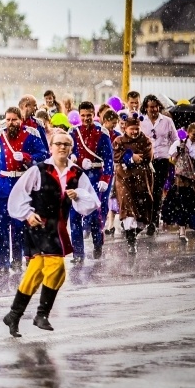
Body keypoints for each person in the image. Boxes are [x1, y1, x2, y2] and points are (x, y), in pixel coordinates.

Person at [2, 132, 100, 337]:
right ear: (51, 146)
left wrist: (78, 195)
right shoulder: (38, 170)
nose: (62, 147)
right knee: (56, 267)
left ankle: (14, 314)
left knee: (37, 271)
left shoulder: (76, 173)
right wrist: (27, 214)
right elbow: (18, 195)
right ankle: (42, 314)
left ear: (71, 148)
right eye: (58, 144)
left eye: (66, 144)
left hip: (58, 227)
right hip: (38, 226)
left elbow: (91, 204)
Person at [0, 107, 48, 274]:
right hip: (3, 182)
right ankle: (2, 264)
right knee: (1, 225)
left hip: (22, 182)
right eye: (8, 119)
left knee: (19, 225)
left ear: (20, 120)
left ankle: (17, 260)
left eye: (14, 120)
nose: (11, 123)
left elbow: (43, 154)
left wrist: (26, 157)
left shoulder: (31, 135)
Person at [69, 102, 114, 262]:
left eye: (89, 115)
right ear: (79, 116)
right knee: (74, 215)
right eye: (83, 116)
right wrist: (75, 158)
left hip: (96, 176)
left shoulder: (102, 132)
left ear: (94, 114)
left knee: (94, 214)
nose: (86, 118)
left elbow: (109, 159)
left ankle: (97, 244)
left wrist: (105, 178)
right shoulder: (73, 132)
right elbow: (69, 153)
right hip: (78, 177)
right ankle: (78, 254)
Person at [112, 113, 154, 254]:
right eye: (132, 129)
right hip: (124, 178)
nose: (135, 131)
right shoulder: (119, 140)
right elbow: (116, 155)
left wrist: (132, 157)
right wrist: (131, 156)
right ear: (125, 128)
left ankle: (134, 232)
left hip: (142, 179)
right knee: (127, 204)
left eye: (137, 128)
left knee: (143, 208)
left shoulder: (146, 140)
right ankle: (131, 242)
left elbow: (147, 157)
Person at [140, 94, 177, 235]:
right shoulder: (141, 121)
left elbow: (175, 140)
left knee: (157, 190)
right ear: (146, 108)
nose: (153, 109)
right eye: (150, 107)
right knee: (145, 190)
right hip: (146, 160)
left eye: (155, 107)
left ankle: (154, 221)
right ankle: (145, 218)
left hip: (162, 160)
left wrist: (172, 154)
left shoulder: (167, 121)